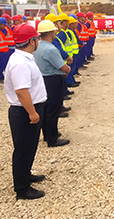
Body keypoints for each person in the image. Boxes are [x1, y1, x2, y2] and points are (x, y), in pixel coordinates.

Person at [4, 23, 48, 200]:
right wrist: (32, 112)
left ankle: (26, 174)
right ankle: (22, 189)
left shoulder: (25, 58)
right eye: (37, 38)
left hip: (30, 108)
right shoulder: (20, 63)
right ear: (31, 41)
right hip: (24, 111)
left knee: (30, 146)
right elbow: (21, 91)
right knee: (23, 149)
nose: (38, 41)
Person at [34, 20, 70, 148]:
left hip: (43, 79)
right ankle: (52, 138)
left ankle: (47, 134)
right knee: (53, 109)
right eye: (54, 31)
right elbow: (62, 66)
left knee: (46, 109)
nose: (55, 33)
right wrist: (67, 69)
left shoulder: (37, 46)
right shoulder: (50, 49)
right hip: (53, 80)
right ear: (50, 33)